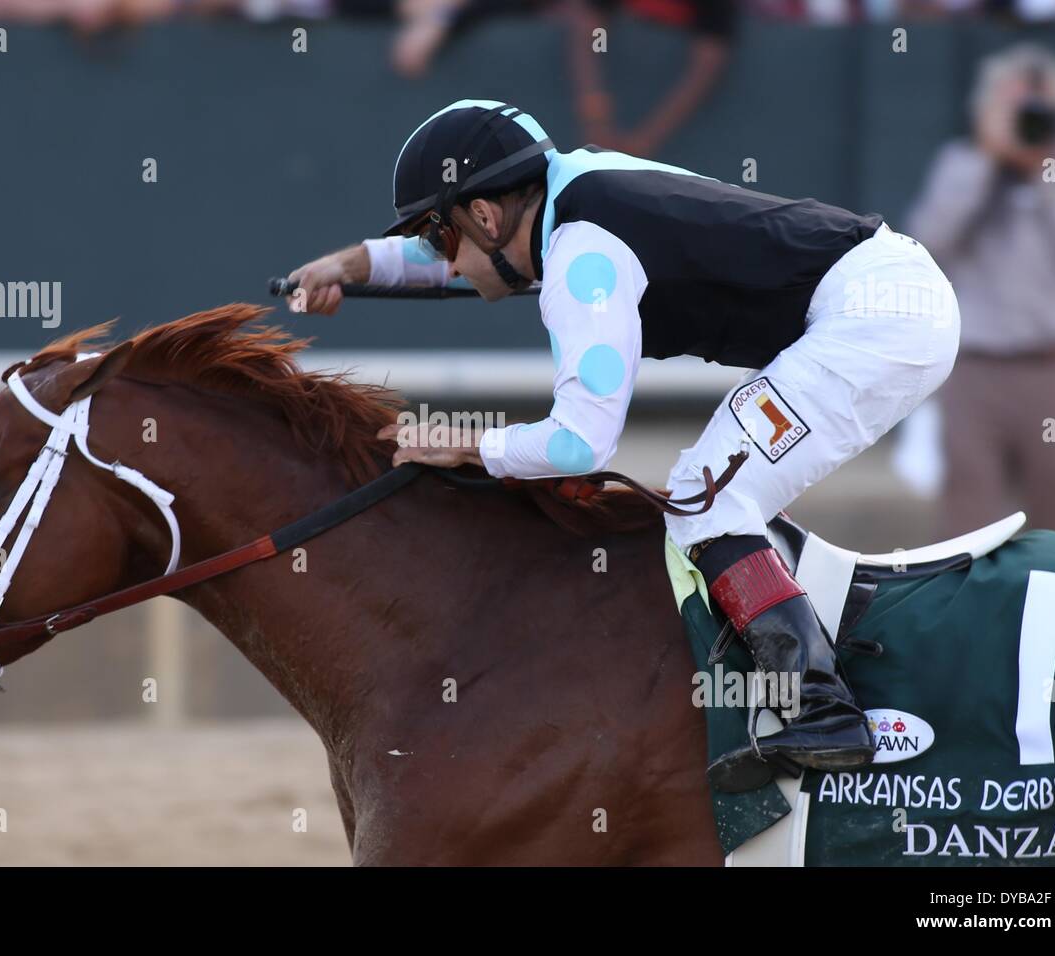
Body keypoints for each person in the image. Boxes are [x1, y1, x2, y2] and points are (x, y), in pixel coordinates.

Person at [284, 99, 961, 790]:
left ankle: (821, 709)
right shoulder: (569, 187)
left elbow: (579, 444)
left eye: (437, 236)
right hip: (889, 297)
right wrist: (353, 264)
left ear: (486, 216)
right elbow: (463, 258)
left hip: (876, 322)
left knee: (706, 498)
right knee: (721, 493)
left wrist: (467, 443)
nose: (441, 261)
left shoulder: (582, 259)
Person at [908, 43, 1055, 539]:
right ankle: (971, 617)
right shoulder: (962, 162)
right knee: (967, 516)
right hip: (976, 369)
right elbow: (930, 240)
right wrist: (988, 160)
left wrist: (1045, 171)